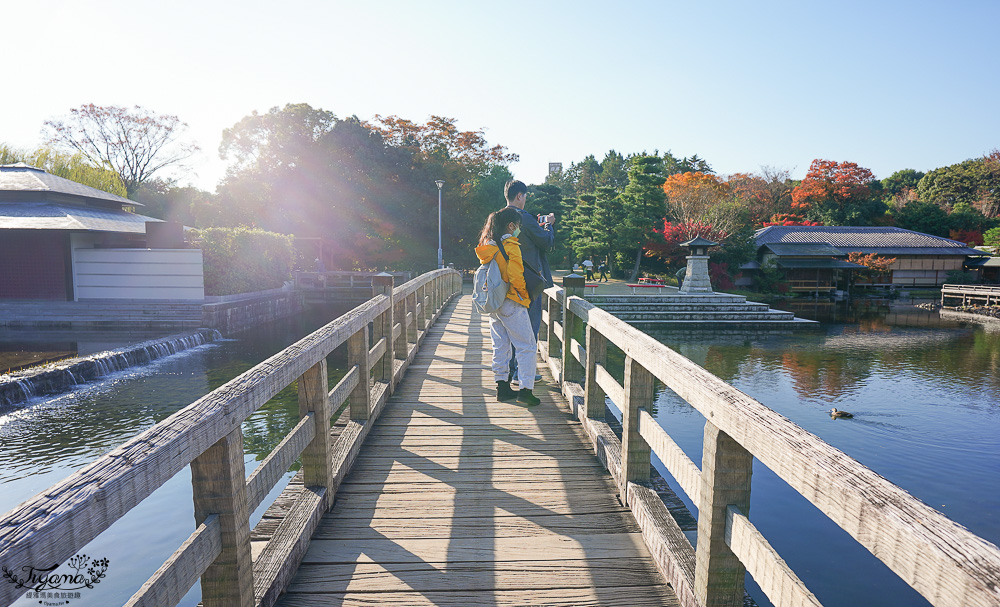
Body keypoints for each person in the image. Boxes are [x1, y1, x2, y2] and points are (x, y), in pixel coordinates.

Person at [475, 207, 541, 406]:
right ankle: (526, 391)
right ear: (511, 226)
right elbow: (515, 275)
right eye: (518, 226)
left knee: (501, 345)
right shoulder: (510, 245)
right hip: (511, 301)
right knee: (527, 346)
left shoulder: (489, 247)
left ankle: (502, 387)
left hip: (495, 303)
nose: (518, 229)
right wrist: (524, 295)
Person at [504, 180, 554, 381]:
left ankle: (508, 370)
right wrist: (549, 225)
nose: (525, 200)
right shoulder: (523, 217)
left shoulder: (497, 218)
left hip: (504, 281)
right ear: (519, 196)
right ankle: (522, 372)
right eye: (525, 196)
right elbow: (546, 242)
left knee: (508, 329)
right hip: (528, 282)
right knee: (529, 327)